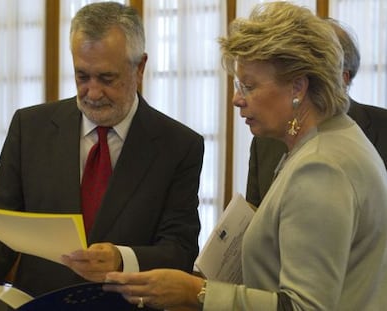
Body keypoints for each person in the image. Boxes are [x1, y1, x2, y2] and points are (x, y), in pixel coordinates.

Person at [102, 2, 387, 310]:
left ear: (298, 87)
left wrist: (196, 293)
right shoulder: (331, 140)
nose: (237, 99)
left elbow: (304, 307)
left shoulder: (322, 167)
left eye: (248, 86)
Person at [0, 1, 204, 308]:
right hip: (35, 303)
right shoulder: (29, 128)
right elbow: (0, 230)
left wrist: (121, 259)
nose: (93, 93)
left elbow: (180, 249)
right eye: (82, 76)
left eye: (107, 79)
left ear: (140, 67)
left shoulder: (179, 145)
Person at [246, 17, 387, 207]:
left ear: (341, 79)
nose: (297, 81)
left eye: (310, 72)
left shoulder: (381, 127)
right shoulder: (266, 139)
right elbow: (253, 215)